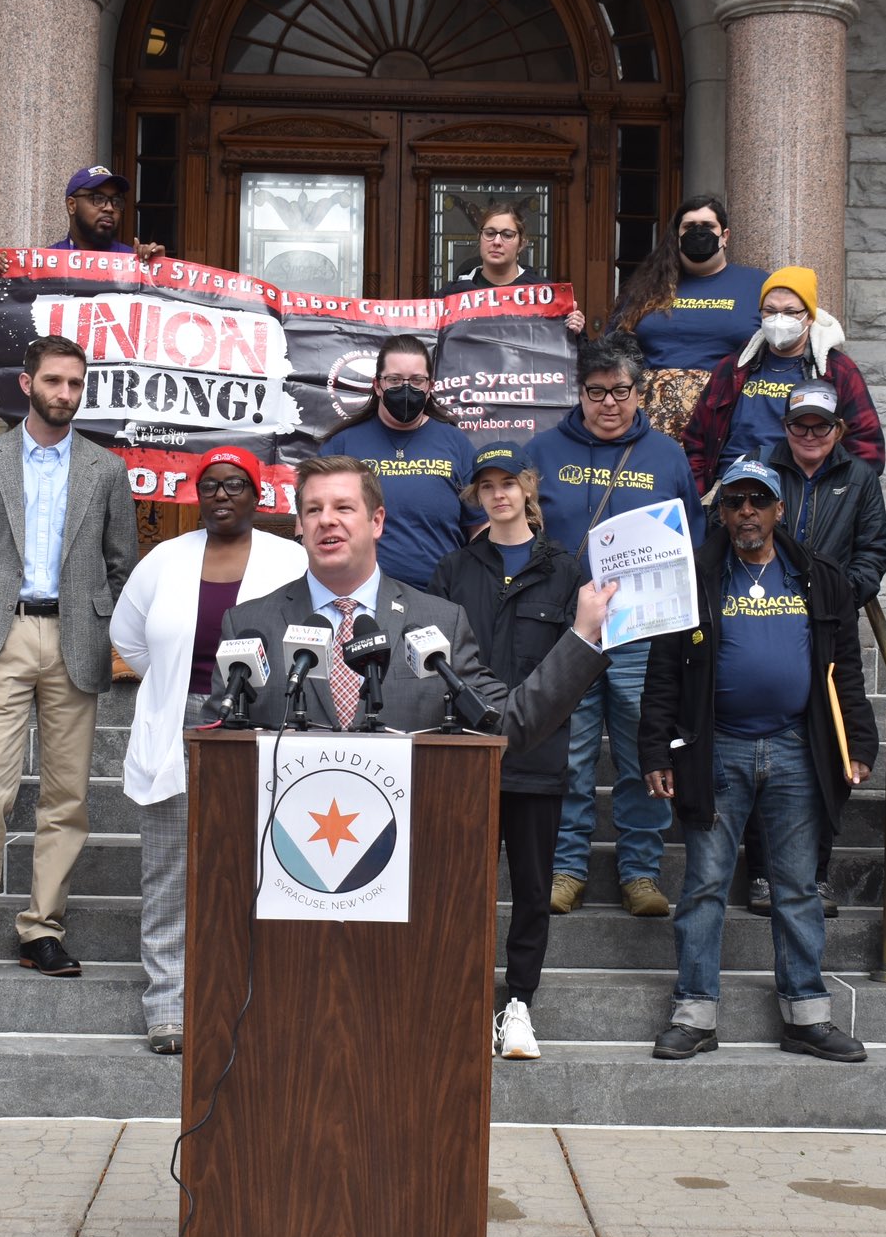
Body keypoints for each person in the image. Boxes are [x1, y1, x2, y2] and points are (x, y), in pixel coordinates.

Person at [640, 457, 877, 1062]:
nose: (746, 512)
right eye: (735, 501)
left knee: (797, 887)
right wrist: (654, 748)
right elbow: (664, 672)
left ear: (778, 510)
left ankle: (806, 1017)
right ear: (720, 511)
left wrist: (860, 741)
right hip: (715, 750)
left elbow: (844, 668)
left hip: (798, 748)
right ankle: (694, 1015)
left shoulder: (819, 577)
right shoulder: (696, 577)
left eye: (758, 501)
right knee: (704, 886)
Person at [0, 335, 140, 979]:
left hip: (77, 636)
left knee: (67, 796)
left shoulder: (104, 469)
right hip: (6, 633)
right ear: (28, 384)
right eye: (55, 382)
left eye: (76, 385)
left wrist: (102, 620)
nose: (66, 395)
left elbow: (120, 562)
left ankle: (42, 928)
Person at [109, 447, 307, 1056]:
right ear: (198, 495)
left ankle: (258, 998)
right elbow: (128, 640)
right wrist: (181, 686)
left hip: (255, 728)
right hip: (181, 724)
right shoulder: (165, 560)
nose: (223, 496)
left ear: (257, 497)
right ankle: (167, 1005)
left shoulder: (289, 559)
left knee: (263, 866)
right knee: (171, 870)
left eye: (236, 486)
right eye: (212, 486)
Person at [215, 455, 615, 745]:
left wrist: (581, 635)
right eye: (313, 510)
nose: (327, 520)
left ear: (376, 522)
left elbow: (508, 721)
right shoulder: (250, 625)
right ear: (300, 525)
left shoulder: (437, 623)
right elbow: (216, 743)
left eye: (344, 508)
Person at [528, 332, 702, 919]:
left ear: (639, 391)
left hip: (643, 634)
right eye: (596, 392)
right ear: (579, 392)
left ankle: (640, 873)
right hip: (569, 631)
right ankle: (566, 869)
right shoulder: (542, 451)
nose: (609, 404)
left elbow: (693, 543)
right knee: (570, 758)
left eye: (621, 392)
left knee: (641, 755)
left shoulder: (667, 456)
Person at [428, 443, 584, 1060]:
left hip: (539, 759)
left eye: (508, 483)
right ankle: (461, 995)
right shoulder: (453, 571)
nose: (498, 494)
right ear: (476, 496)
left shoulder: (565, 572)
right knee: (460, 886)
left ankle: (518, 1001)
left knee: (531, 886)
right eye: (486, 485)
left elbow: (581, 665)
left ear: (527, 490)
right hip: (464, 757)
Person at [760, 377, 886, 920]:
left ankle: (813, 874)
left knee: (823, 753)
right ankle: (765, 876)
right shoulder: (762, 472)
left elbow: (873, 552)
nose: (809, 434)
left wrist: (837, 596)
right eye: (798, 424)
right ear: (785, 427)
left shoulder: (859, 477)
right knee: (760, 749)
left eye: (820, 424)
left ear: (837, 429)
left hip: (829, 628)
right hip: (763, 618)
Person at [678, 265, 886, 487]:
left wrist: (831, 497)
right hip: (730, 486)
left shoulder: (836, 371)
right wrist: (701, 493)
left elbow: (868, 450)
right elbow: (696, 440)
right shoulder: (733, 367)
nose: (779, 319)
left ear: (809, 317)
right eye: (770, 310)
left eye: (790, 312)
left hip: (801, 489)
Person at [318, 334, 479, 591]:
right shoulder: (342, 444)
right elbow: (311, 520)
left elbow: (480, 526)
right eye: (394, 380)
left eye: (417, 380)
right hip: (358, 595)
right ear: (378, 385)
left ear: (430, 387)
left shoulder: (455, 442)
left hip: (439, 596)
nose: (406, 389)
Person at [608, 195, 768, 437]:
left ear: (725, 236)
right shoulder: (648, 287)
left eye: (708, 226)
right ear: (678, 236)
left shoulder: (758, 284)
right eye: (689, 227)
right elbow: (611, 346)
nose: (698, 232)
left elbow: (795, 321)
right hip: (650, 421)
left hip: (728, 418)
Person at [0, 165, 164, 347]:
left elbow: (161, 336)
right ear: (72, 205)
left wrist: (160, 277)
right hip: (63, 381)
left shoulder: (134, 262)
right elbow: (2, 340)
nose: (109, 208)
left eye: (116, 201)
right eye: (98, 198)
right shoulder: (40, 267)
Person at [438, 201, 586, 335]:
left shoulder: (545, 297)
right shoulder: (452, 295)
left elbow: (573, 355)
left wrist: (575, 332)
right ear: (480, 237)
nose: (496, 241)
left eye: (507, 235)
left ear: (521, 244)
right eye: (489, 233)